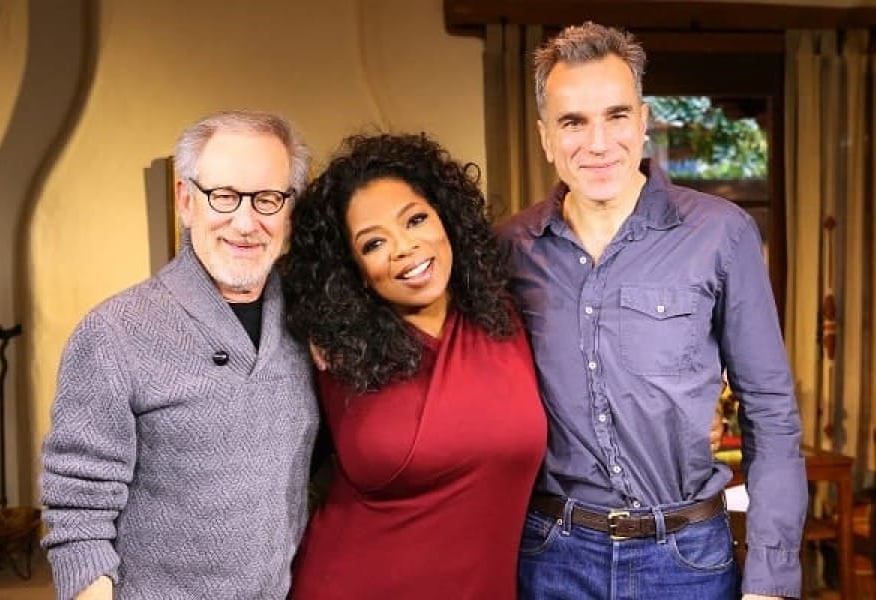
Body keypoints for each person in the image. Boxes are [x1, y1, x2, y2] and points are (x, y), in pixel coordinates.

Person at [500, 23, 808, 600]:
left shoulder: (722, 235)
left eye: (616, 116)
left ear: (643, 122)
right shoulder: (509, 249)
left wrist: (769, 580)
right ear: (546, 138)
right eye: (573, 122)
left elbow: (770, 412)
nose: (597, 143)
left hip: (688, 558)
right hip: (551, 557)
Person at [39, 110, 319, 600]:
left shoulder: (308, 324)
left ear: (289, 211)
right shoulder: (114, 333)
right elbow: (78, 513)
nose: (246, 221)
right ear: (185, 200)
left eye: (268, 199)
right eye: (224, 196)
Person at [282, 133, 547, 599]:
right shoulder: (336, 349)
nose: (404, 248)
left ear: (447, 218)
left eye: (416, 220)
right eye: (373, 244)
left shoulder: (507, 315)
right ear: (352, 270)